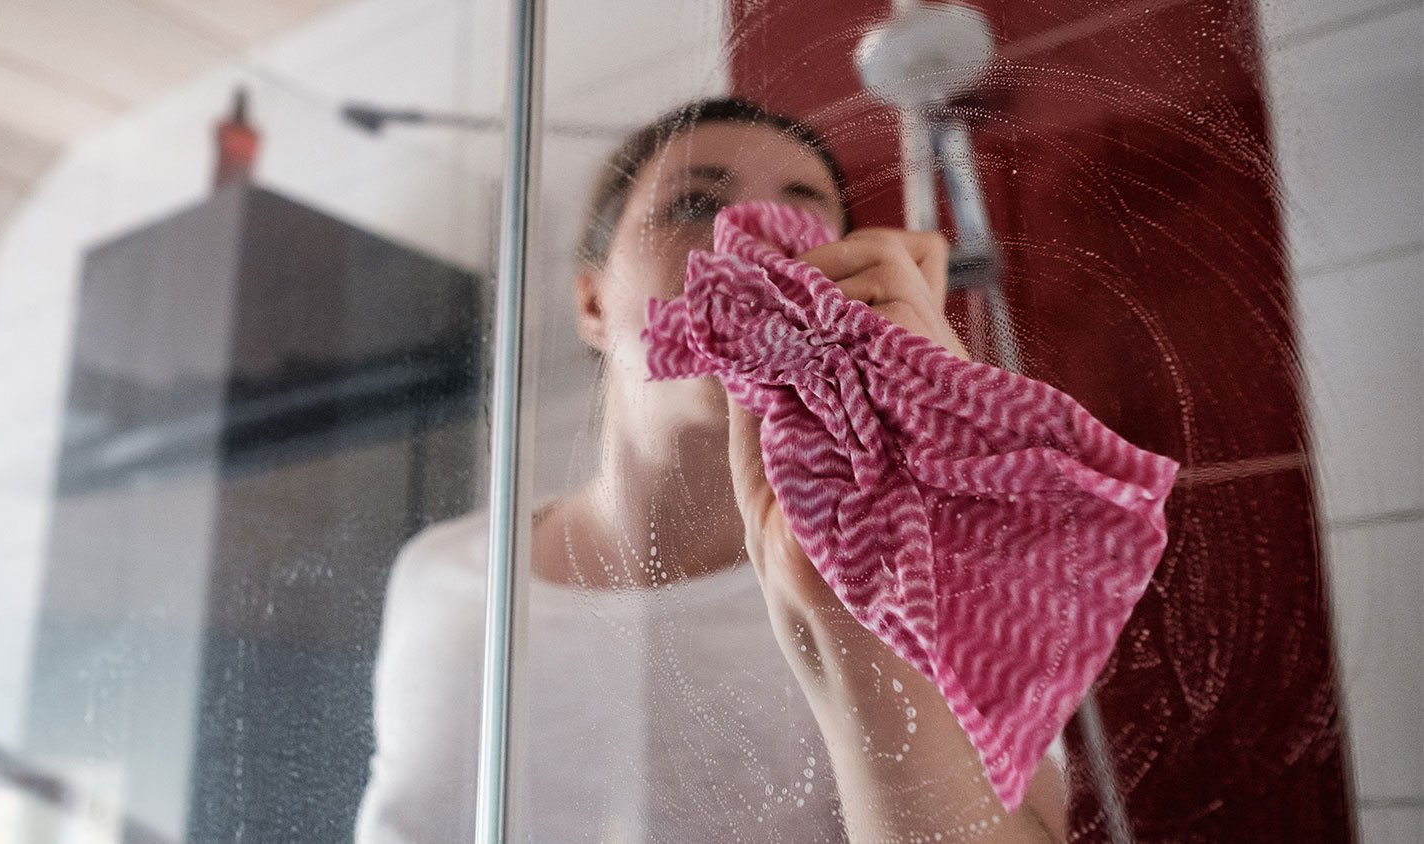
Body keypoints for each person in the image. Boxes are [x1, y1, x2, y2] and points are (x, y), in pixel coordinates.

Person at [355, 98, 1069, 843]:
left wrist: (858, 606)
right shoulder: (443, 579)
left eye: (804, 210)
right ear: (593, 302)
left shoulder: (932, 569)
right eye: (694, 204)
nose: (755, 241)